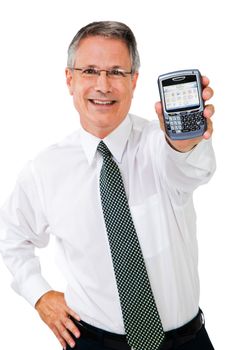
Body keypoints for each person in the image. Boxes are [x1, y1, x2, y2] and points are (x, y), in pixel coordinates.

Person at [0, 21, 216, 350]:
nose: (103, 85)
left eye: (116, 72)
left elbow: (190, 171)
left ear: (134, 81)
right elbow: (11, 237)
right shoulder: (44, 170)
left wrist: (184, 144)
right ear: (70, 79)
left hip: (186, 342)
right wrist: (39, 294)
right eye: (90, 70)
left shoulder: (161, 146)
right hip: (92, 342)